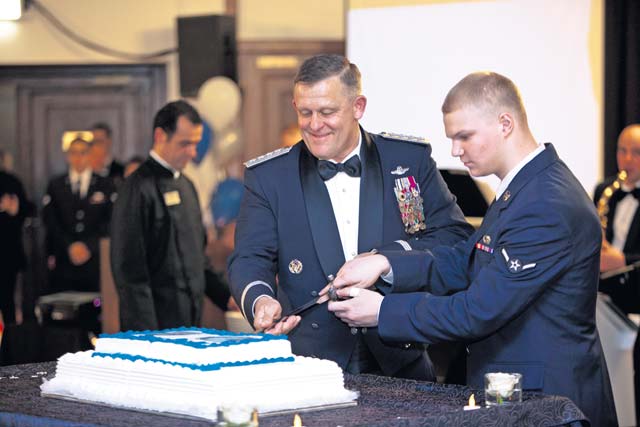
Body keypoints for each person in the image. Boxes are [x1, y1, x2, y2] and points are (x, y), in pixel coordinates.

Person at [326, 71, 617, 426]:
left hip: (550, 404)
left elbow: (478, 311)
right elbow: (466, 260)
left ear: (505, 123)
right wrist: (386, 264)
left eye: (464, 136)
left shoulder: (546, 203)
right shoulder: (523, 188)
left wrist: (384, 311)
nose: (455, 150)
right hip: (520, 394)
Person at [228, 54, 473, 380]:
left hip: (401, 355)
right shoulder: (270, 177)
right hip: (309, 365)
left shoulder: (405, 161)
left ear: (358, 106)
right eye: (305, 112)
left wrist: (386, 260)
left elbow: (453, 237)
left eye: (327, 112)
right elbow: (249, 257)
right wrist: (260, 301)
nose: (314, 124)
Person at [110, 100, 208, 331]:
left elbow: (198, 259)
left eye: (195, 144)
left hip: (191, 323)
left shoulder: (187, 186)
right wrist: (148, 338)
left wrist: (228, 298)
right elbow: (130, 275)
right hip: (154, 328)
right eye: (185, 144)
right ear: (160, 136)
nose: (192, 153)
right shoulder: (136, 188)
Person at [593, 123, 640, 423]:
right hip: (606, 297)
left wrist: (620, 259)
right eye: (622, 151)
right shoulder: (603, 189)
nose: (627, 159)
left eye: (636, 153)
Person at [42, 137, 116, 293]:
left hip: (95, 258)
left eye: (83, 152)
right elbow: (51, 220)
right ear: (68, 156)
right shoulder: (56, 185)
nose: (78, 157)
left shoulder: (106, 184)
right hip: (64, 257)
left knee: (94, 306)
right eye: (74, 153)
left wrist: (89, 246)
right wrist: (70, 245)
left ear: (90, 155)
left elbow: (111, 220)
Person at [0, 150, 35, 325]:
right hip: (8, 252)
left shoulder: (10, 182)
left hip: (6, 252)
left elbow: (28, 209)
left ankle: (9, 347)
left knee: (7, 303)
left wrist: (15, 209)